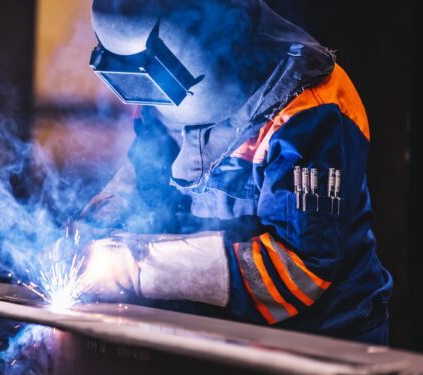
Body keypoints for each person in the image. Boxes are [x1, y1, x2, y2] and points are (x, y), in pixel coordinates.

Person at [78, 0, 393, 345]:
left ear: (206, 38)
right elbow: (147, 171)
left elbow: (299, 272)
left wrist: (136, 265)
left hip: (321, 336)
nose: (147, 100)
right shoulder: (159, 86)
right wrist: (109, 211)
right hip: (219, 331)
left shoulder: (309, 108)